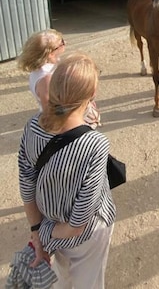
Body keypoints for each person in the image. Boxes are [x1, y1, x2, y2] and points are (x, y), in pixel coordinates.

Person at [18, 53, 116, 288]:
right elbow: (77, 223)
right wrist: (46, 233)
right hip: (86, 235)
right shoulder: (95, 144)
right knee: (89, 282)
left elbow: (26, 187)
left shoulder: (32, 126)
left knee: (64, 277)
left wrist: (38, 232)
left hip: (49, 223)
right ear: (92, 96)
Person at [17, 29, 101, 128]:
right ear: (50, 53)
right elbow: (50, 110)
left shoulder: (39, 70)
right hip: (66, 123)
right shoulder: (46, 78)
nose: (65, 43)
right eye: (61, 43)